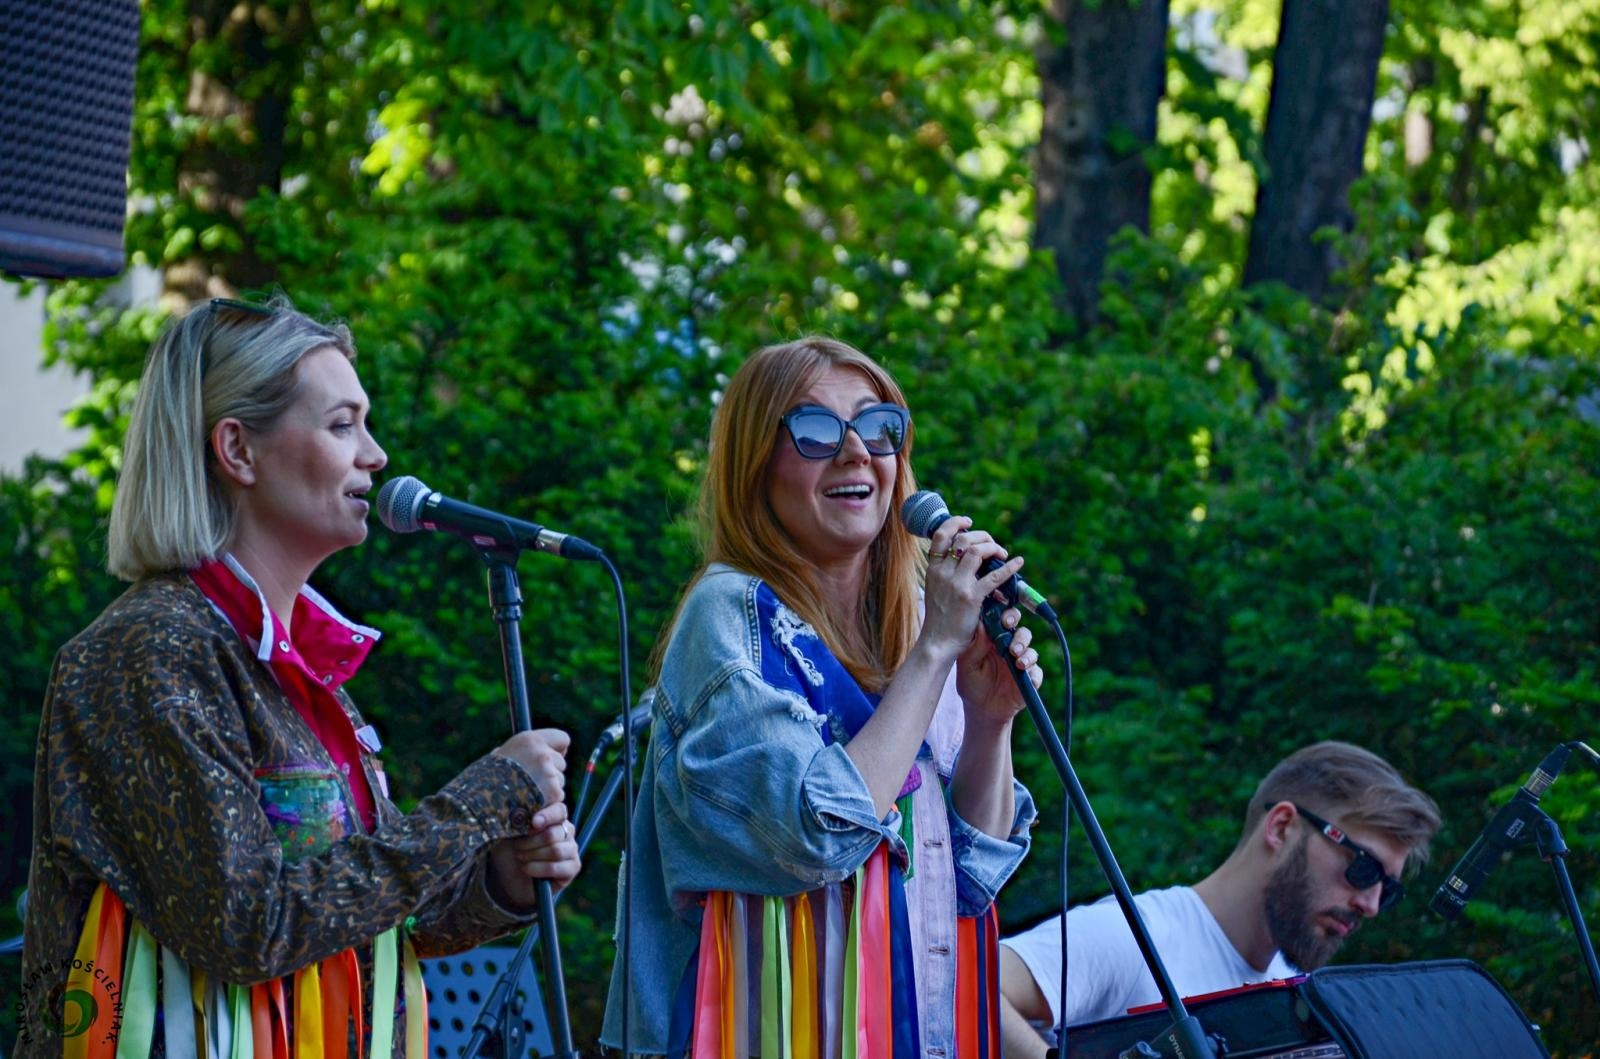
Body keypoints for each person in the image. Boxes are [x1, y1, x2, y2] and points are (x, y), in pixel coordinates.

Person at [17, 298, 581, 1058]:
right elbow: (249, 925)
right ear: (238, 450)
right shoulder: (149, 651)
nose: (376, 455)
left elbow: (367, 912)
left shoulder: (297, 671)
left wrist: (500, 879)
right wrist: (476, 804)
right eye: (342, 423)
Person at [602, 337, 1043, 1054]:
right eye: (814, 430)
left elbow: (968, 878)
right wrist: (935, 653)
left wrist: (991, 718)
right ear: (757, 465)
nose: (855, 452)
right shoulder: (729, 617)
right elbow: (815, 833)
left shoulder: (913, 622)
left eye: (878, 428)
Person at [1000, 740, 1442, 1055]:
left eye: (1389, 889)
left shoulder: (1298, 1002)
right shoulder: (1135, 936)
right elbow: (965, 984)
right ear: (1282, 827)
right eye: (1363, 868)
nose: (1370, 903)